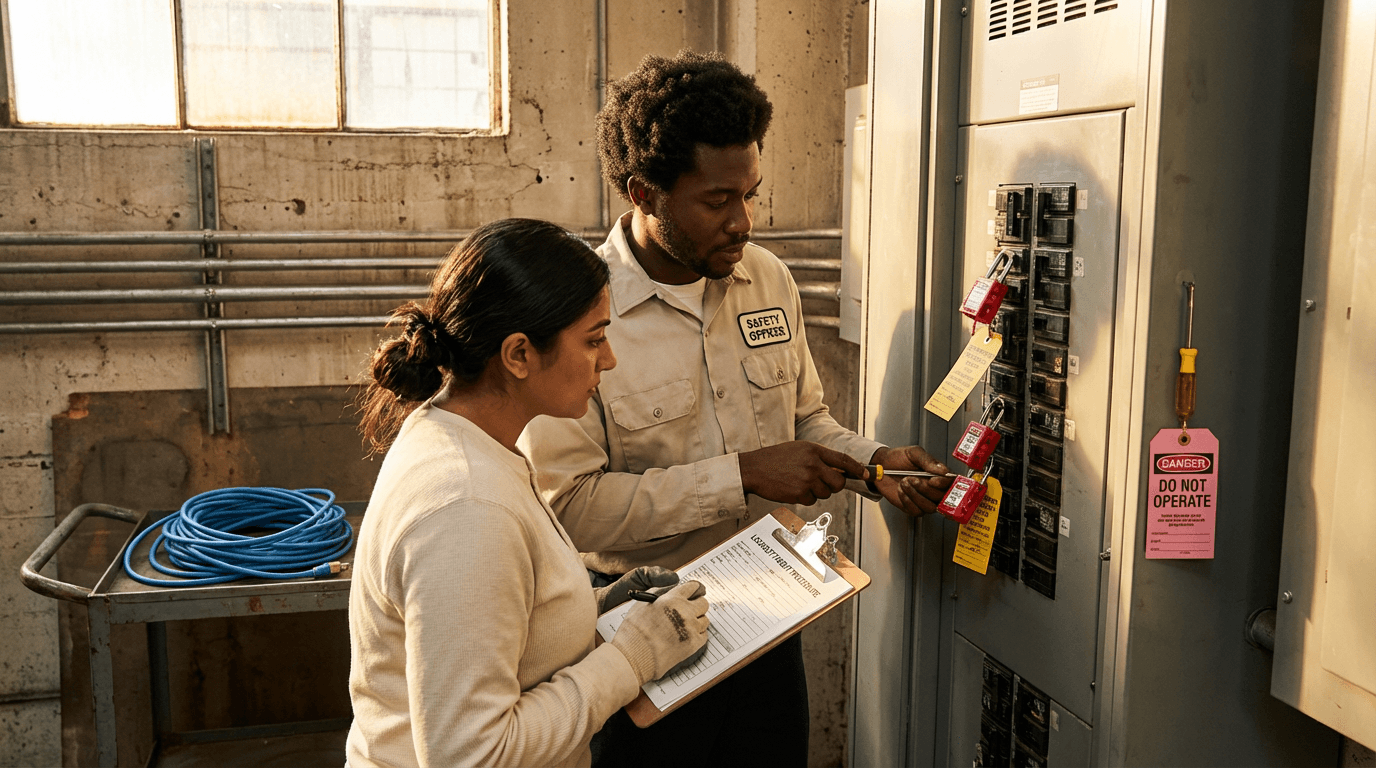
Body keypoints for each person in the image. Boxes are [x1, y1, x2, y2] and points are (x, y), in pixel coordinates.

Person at [518, 52, 955, 766]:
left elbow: (804, 420)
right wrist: (744, 474)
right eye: (717, 201)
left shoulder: (767, 279)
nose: (742, 221)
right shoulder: (582, 318)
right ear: (645, 193)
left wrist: (874, 463)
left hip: (767, 618)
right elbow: (571, 509)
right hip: (638, 628)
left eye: (750, 194)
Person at [345, 218, 711, 768]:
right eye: (593, 339)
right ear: (519, 355)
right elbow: (471, 754)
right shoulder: (467, 508)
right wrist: (631, 658)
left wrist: (595, 607)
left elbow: (498, 626)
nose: (608, 359)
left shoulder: (462, 436)